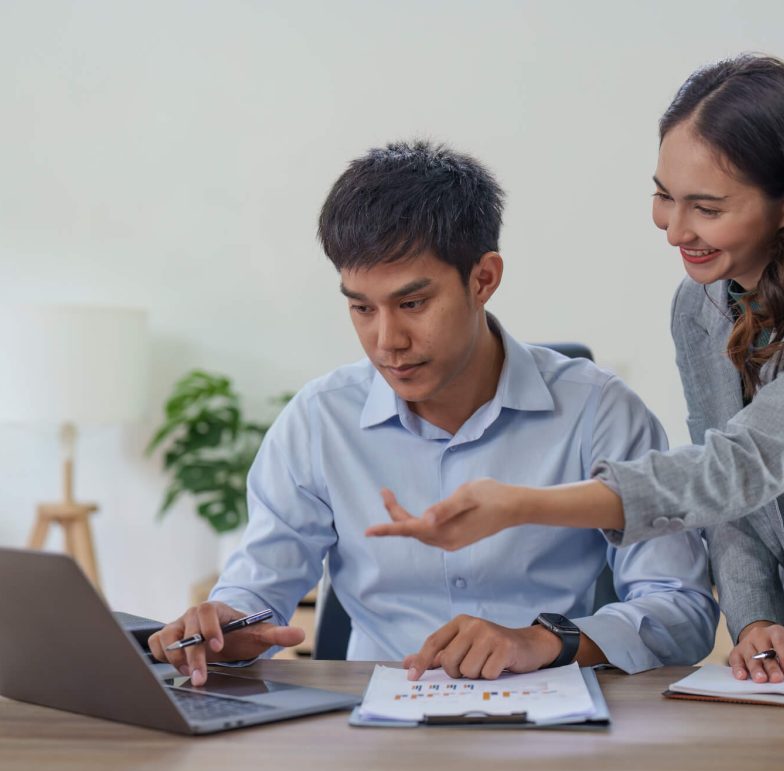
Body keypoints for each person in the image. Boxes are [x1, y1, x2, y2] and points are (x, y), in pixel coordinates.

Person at [149, 141, 717, 685]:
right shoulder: (320, 421)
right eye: (361, 308)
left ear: (483, 279)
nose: (386, 340)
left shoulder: (599, 412)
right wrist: (225, 627)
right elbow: (256, 591)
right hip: (371, 738)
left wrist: (544, 641)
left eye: (412, 303)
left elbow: (682, 608)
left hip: (552, 732)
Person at [366, 54, 784, 685]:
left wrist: (522, 504)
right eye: (663, 196)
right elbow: (730, 503)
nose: (675, 230)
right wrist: (756, 618)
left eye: (706, 208)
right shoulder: (700, 304)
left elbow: (735, 465)